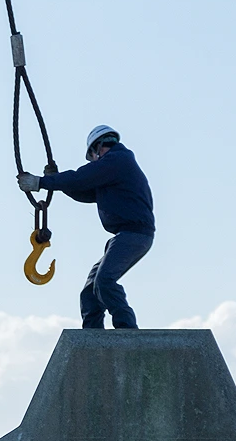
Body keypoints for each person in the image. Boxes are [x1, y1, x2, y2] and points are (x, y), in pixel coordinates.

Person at [18, 125, 154, 329]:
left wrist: (41, 182)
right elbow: (84, 190)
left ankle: (128, 333)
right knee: (90, 291)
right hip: (127, 236)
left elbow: (81, 178)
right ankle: (92, 337)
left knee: (105, 281)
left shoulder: (117, 160)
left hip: (133, 234)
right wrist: (56, 181)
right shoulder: (115, 169)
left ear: (98, 148)